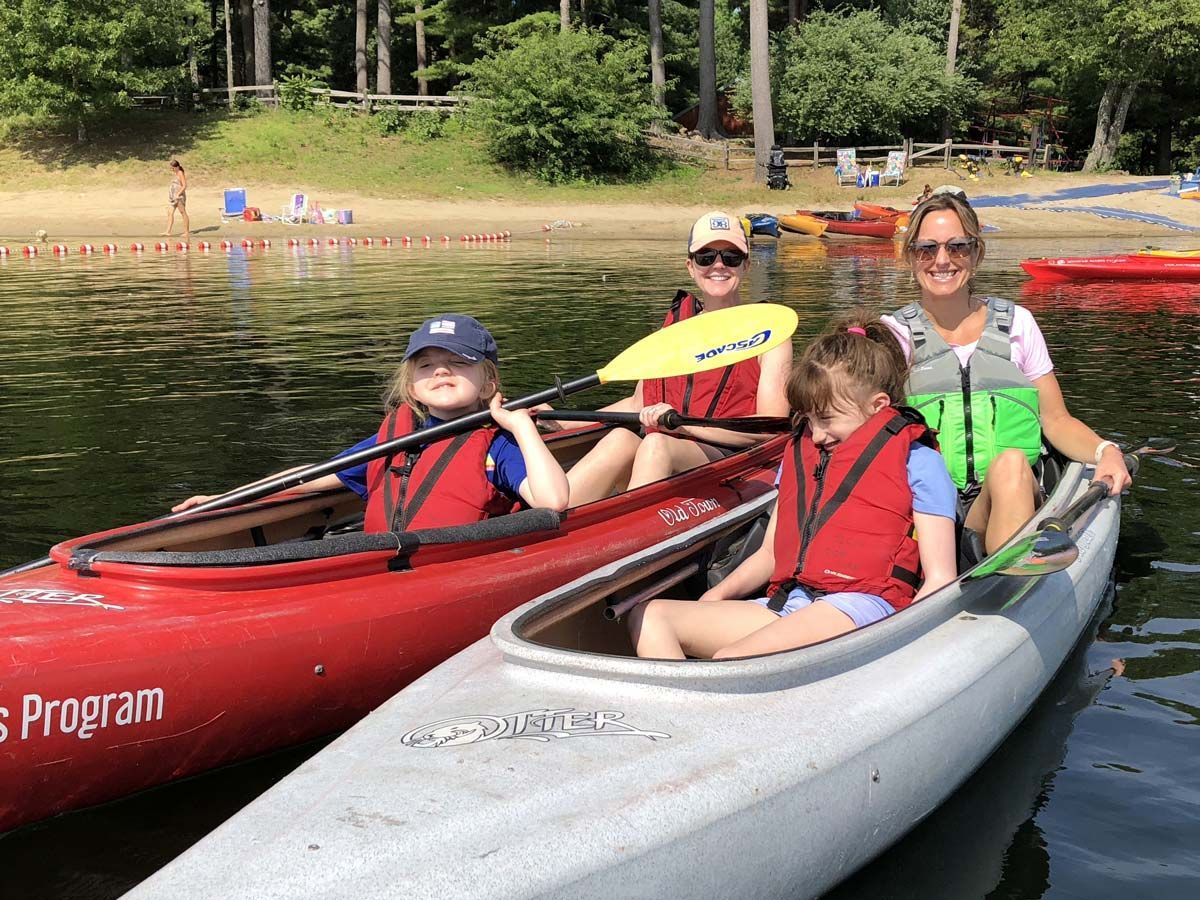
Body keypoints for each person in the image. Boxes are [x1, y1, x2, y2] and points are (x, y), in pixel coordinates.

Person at [627, 314, 958, 660]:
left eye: (827, 419)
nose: (815, 434)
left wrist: (901, 652)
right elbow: (770, 554)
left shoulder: (918, 460)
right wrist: (715, 597)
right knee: (651, 617)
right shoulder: (802, 452)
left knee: (733, 658)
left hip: (863, 608)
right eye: (809, 419)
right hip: (791, 601)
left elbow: (940, 578)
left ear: (877, 406)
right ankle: (690, 712)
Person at [883, 192, 1132, 555]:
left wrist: (1105, 451)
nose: (942, 261)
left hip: (1001, 500)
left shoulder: (1018, 324)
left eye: (957, 247)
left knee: (1012, 464)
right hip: (926, 510)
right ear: (910, 257)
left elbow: (1057, 420)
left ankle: (1007, 576)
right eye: (927, 249)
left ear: (976, 253)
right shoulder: (892, 335)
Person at [173, 314, 569, 528]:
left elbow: (553, 501)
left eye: (457, 363)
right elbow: (312, 475)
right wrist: (227, 498)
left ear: (489, 383)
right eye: (427, 365)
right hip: (386, 561)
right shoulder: (397, 437)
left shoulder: (497, 444)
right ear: (411, 388)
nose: (440, 372)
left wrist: (521, 427)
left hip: (451, 566)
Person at [560, 211, 792, 506]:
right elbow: (638, 403)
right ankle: (544, 525)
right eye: (705, 257)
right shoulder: (674, 328)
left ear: (746, 265)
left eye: (731, 256)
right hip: (669, 444)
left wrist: (684, 426)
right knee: (620, 439)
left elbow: (769, 428)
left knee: (656, 444)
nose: (718, 265)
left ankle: (624, 536)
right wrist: (564, 424)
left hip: (730, 458)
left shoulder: (771, 335)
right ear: (690, 267)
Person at [163, 160, 190, 242]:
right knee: (170, 212)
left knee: (183, 213)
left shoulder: (180, 173)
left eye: (173, 168)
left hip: (179, 196)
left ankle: (186, 232)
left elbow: (184, 185)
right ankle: (168, 231)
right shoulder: (176, 173)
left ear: (177, 167)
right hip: (173, 197)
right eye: (171, 168)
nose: (172, 170)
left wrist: (178, 194)